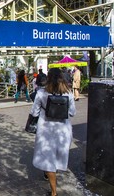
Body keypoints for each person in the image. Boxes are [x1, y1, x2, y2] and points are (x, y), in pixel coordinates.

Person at [30, 68, 76, 196]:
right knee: (57, 159)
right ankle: (52, 178)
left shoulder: (41, 93)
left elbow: (34, 112)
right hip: (63, 131)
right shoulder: (68, 93)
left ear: (48, 78)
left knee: (48, 161)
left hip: (46, 131)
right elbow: (72, 112)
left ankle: (54, 192)